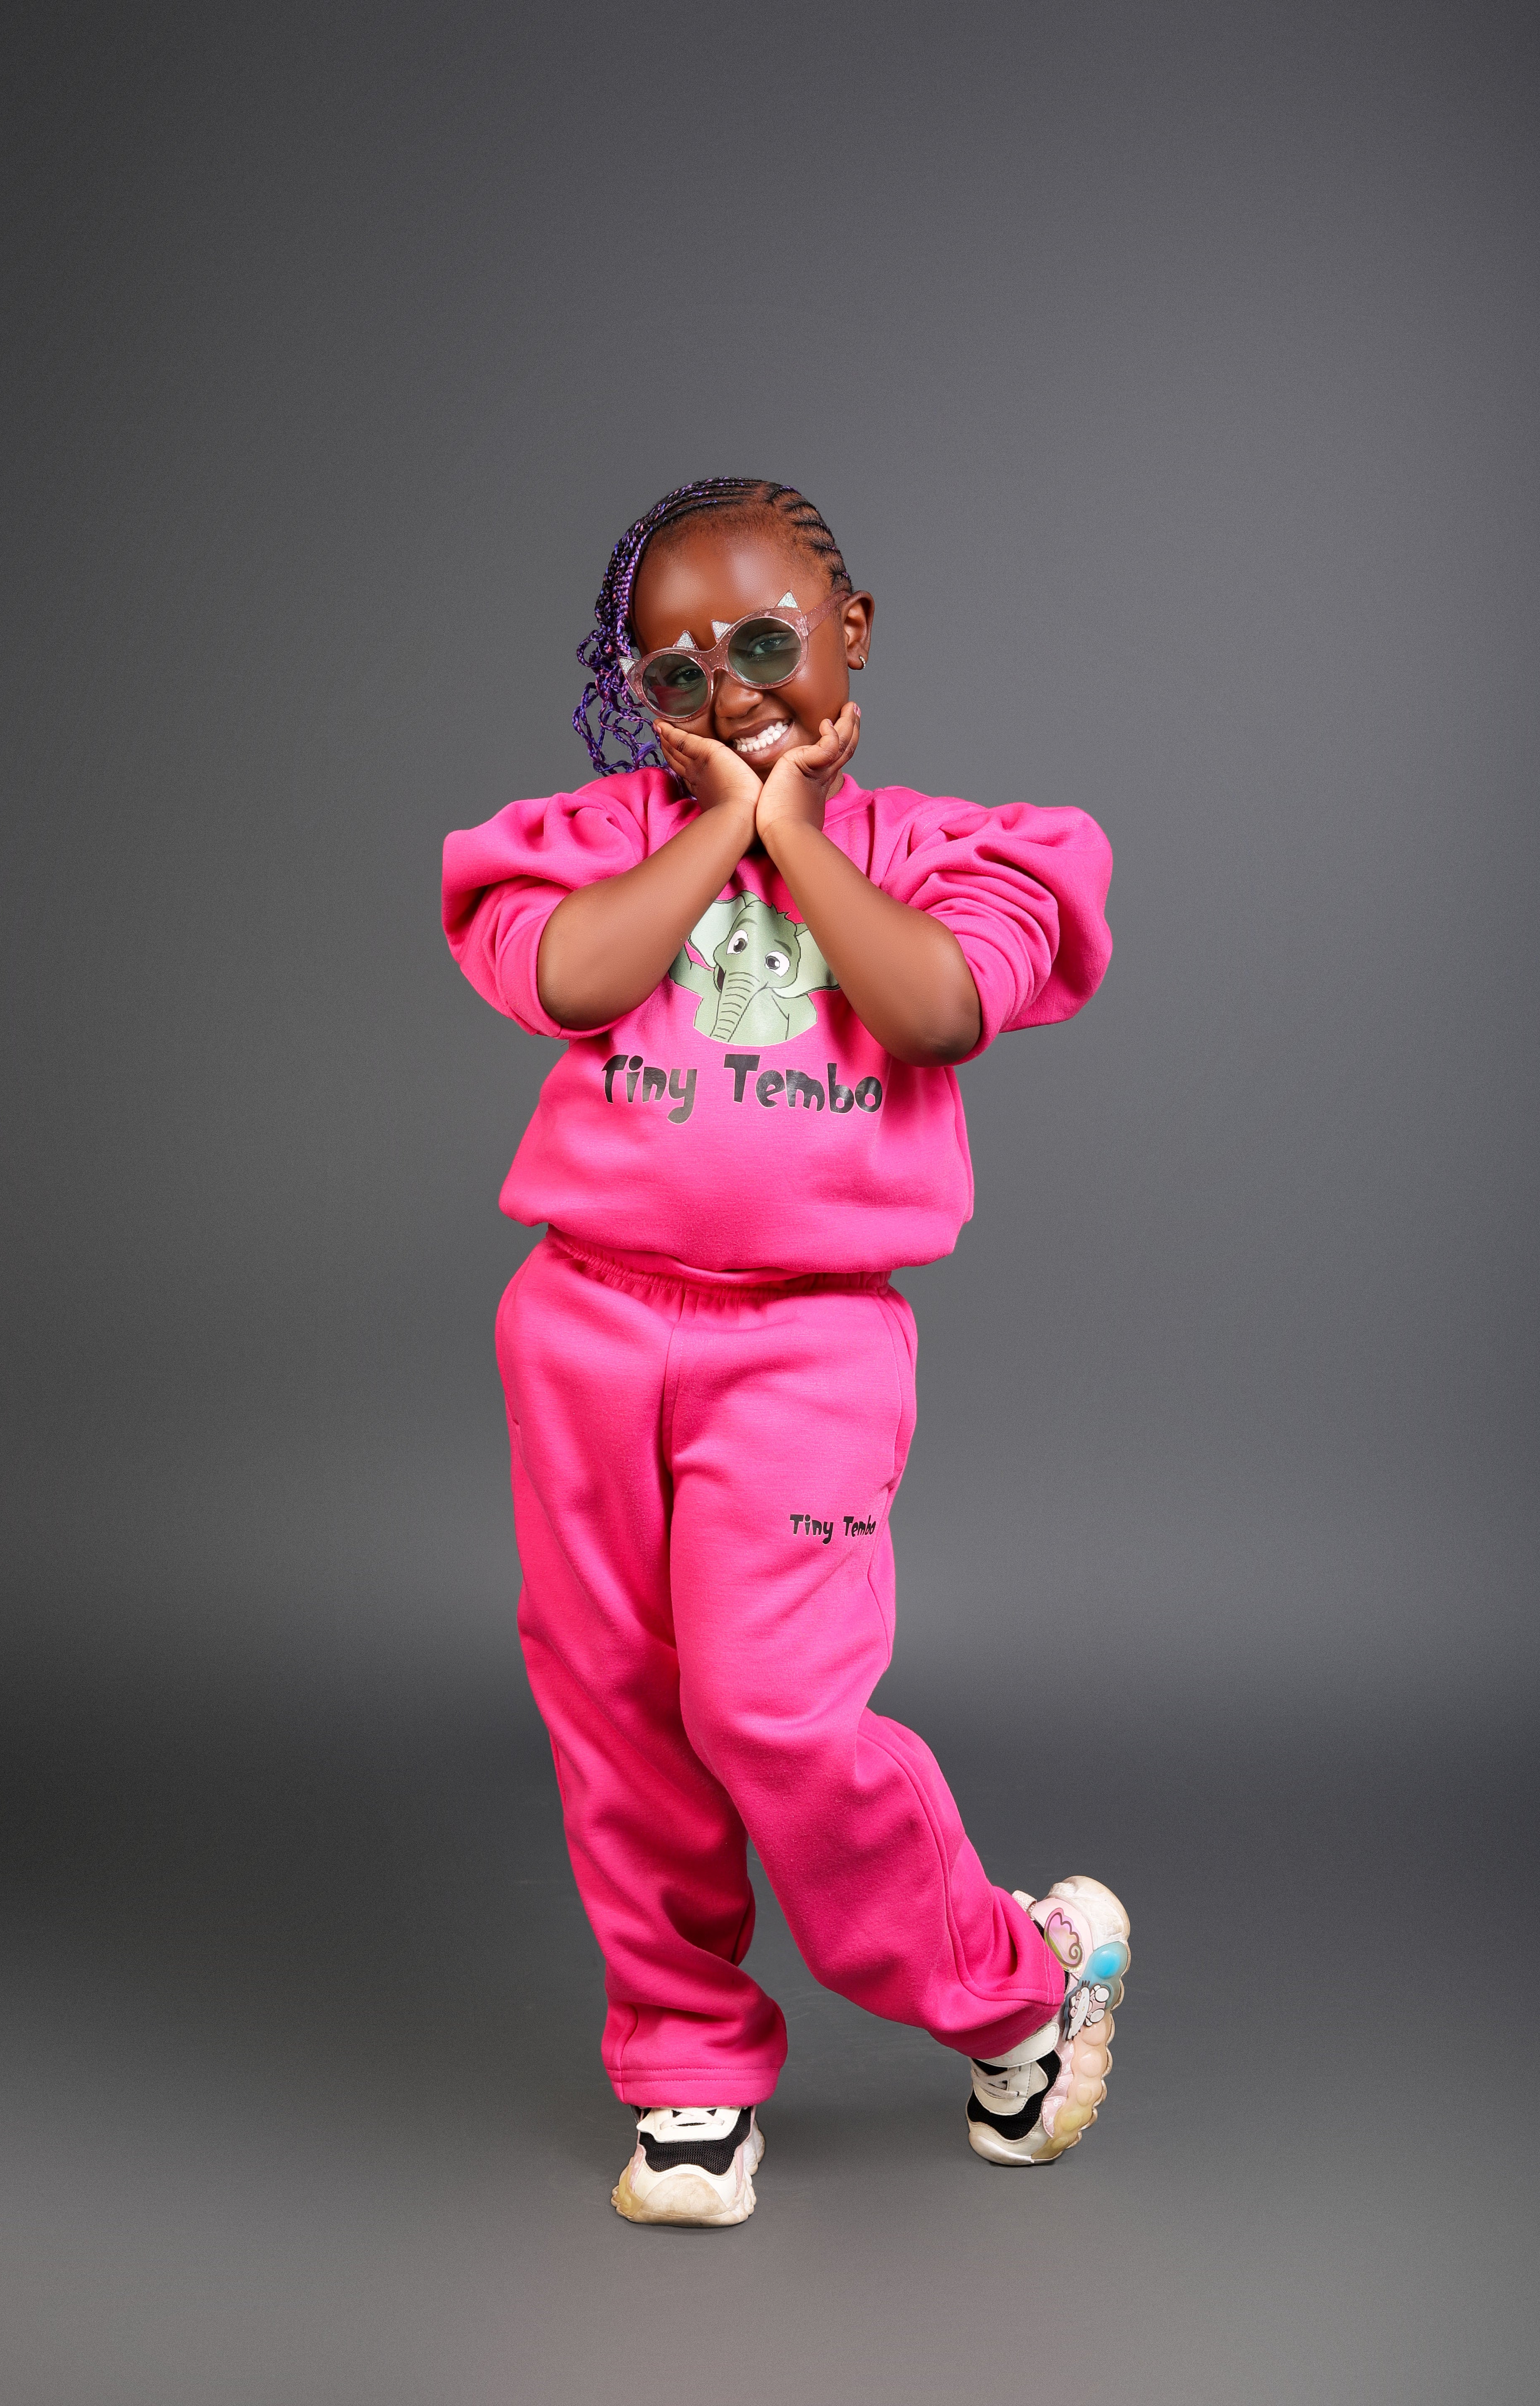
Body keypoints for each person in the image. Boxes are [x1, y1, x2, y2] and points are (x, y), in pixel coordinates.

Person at [442, 477, 1131, 2227]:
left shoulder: (943, 851)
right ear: (639, 695)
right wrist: (716, 827)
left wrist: (796, 832)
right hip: (586, 1325)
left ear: (853, 635)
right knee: (615, 1710)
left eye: (765, 646)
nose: (732, 693)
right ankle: (688, 2067)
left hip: (809, 1347)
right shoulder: (591, 837)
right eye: (677, 675)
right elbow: (572, 980)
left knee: (767, 1710)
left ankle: (1016, 1985)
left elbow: (937, 1009)